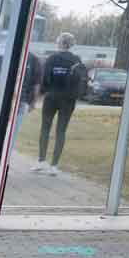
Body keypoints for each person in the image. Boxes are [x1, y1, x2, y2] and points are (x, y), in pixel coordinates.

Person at [34, 33, 88, 171]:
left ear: (60, 43)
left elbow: (45, 79)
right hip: (68, 100)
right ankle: (54, 165)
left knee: (45, 128)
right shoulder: (76, 60)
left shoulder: (52, 58)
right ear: (71, 44)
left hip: (51, 97)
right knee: (61, 131)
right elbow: (81, 80)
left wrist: (43, 92)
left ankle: (41, 161)